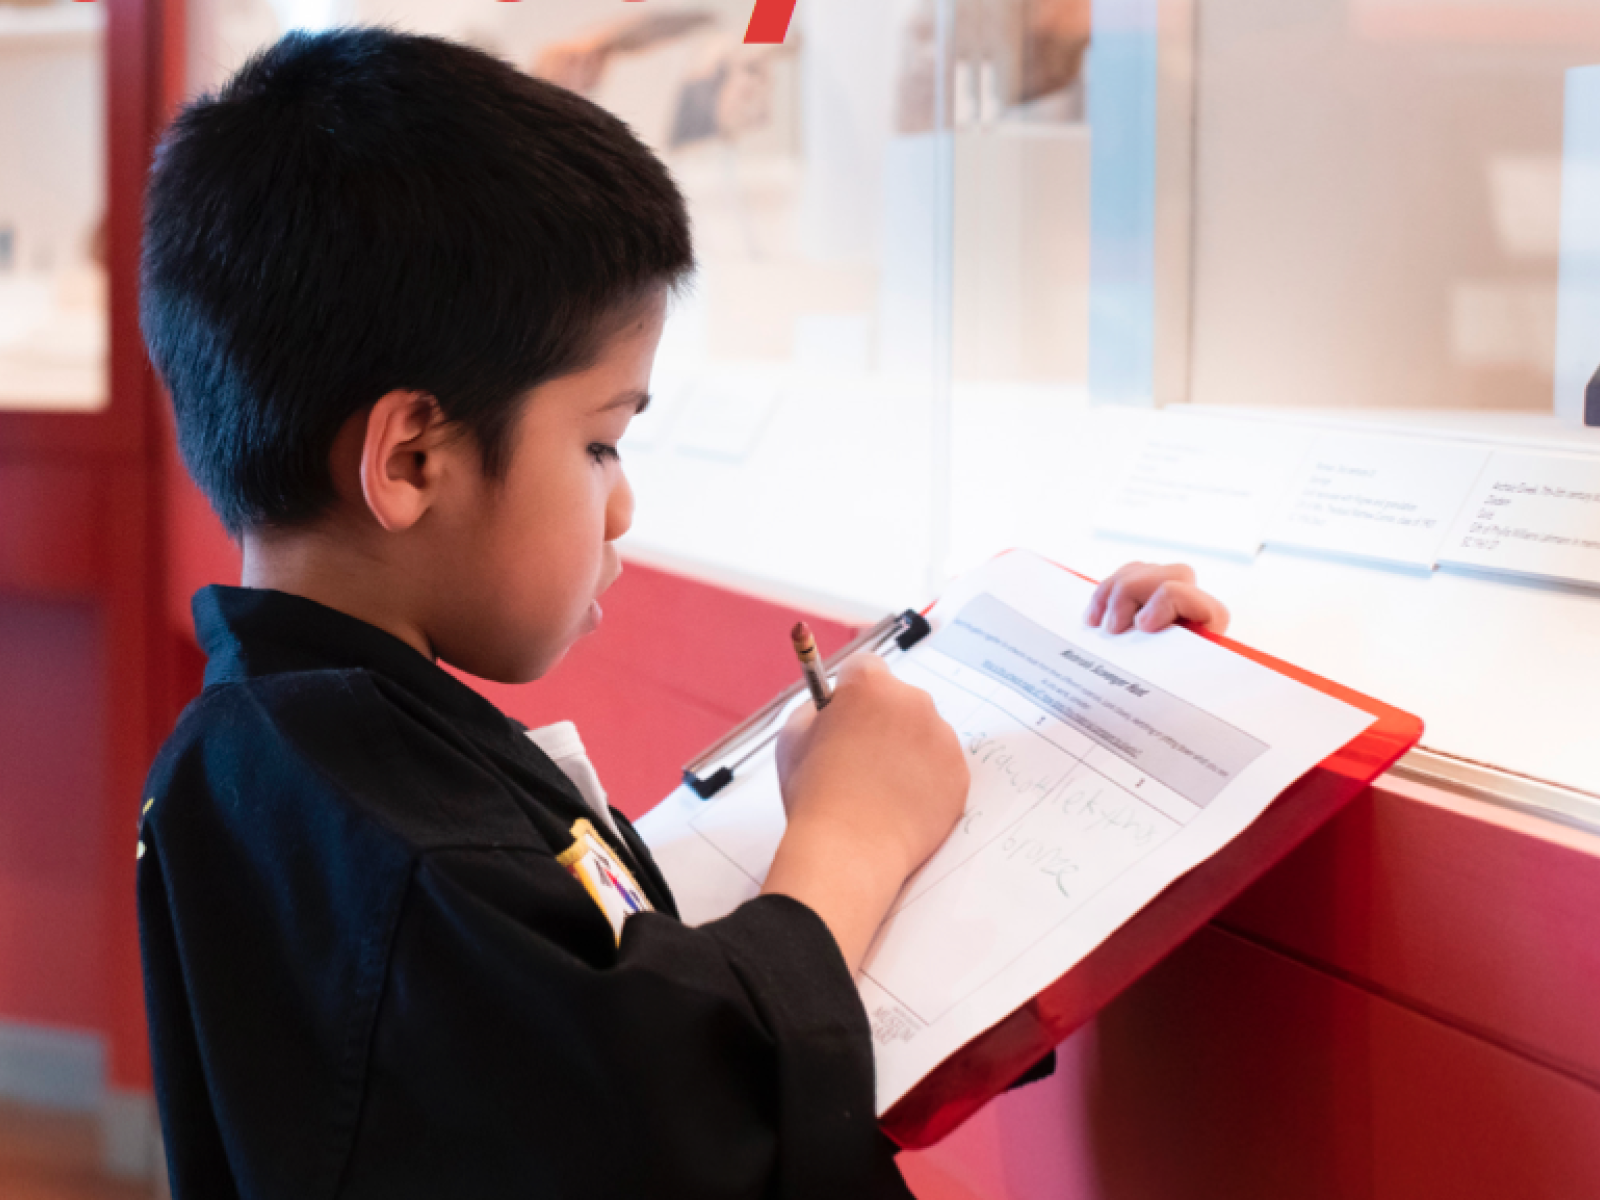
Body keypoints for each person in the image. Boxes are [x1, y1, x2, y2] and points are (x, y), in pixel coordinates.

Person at [136, 27, 1231, 1200]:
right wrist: (848, 838)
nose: (620, 507)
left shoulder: (302, 743)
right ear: (411, 460)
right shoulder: (396, 835)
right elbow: (688, 1114)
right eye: (600, 441)